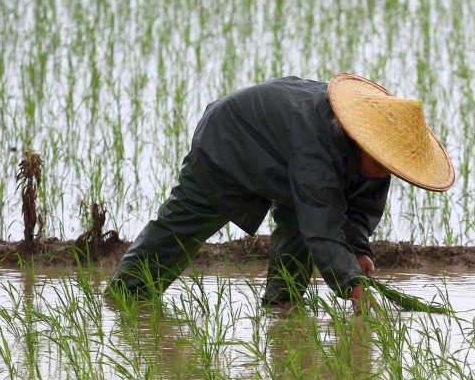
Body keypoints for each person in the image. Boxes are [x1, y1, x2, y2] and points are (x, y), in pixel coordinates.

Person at [107, 74, 455, 313]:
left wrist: (359, 250)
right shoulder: (318, 145)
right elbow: (323, 226)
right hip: (228, 142)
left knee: (297, 228)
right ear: (359, 139)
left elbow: (357, 209)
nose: (382, 171)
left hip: (281, 156)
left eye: (389, 165)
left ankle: (281, 304)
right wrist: (354, 289)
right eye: (379, 161)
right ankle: (126, 293)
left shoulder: (375, 156)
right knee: (186, 223)